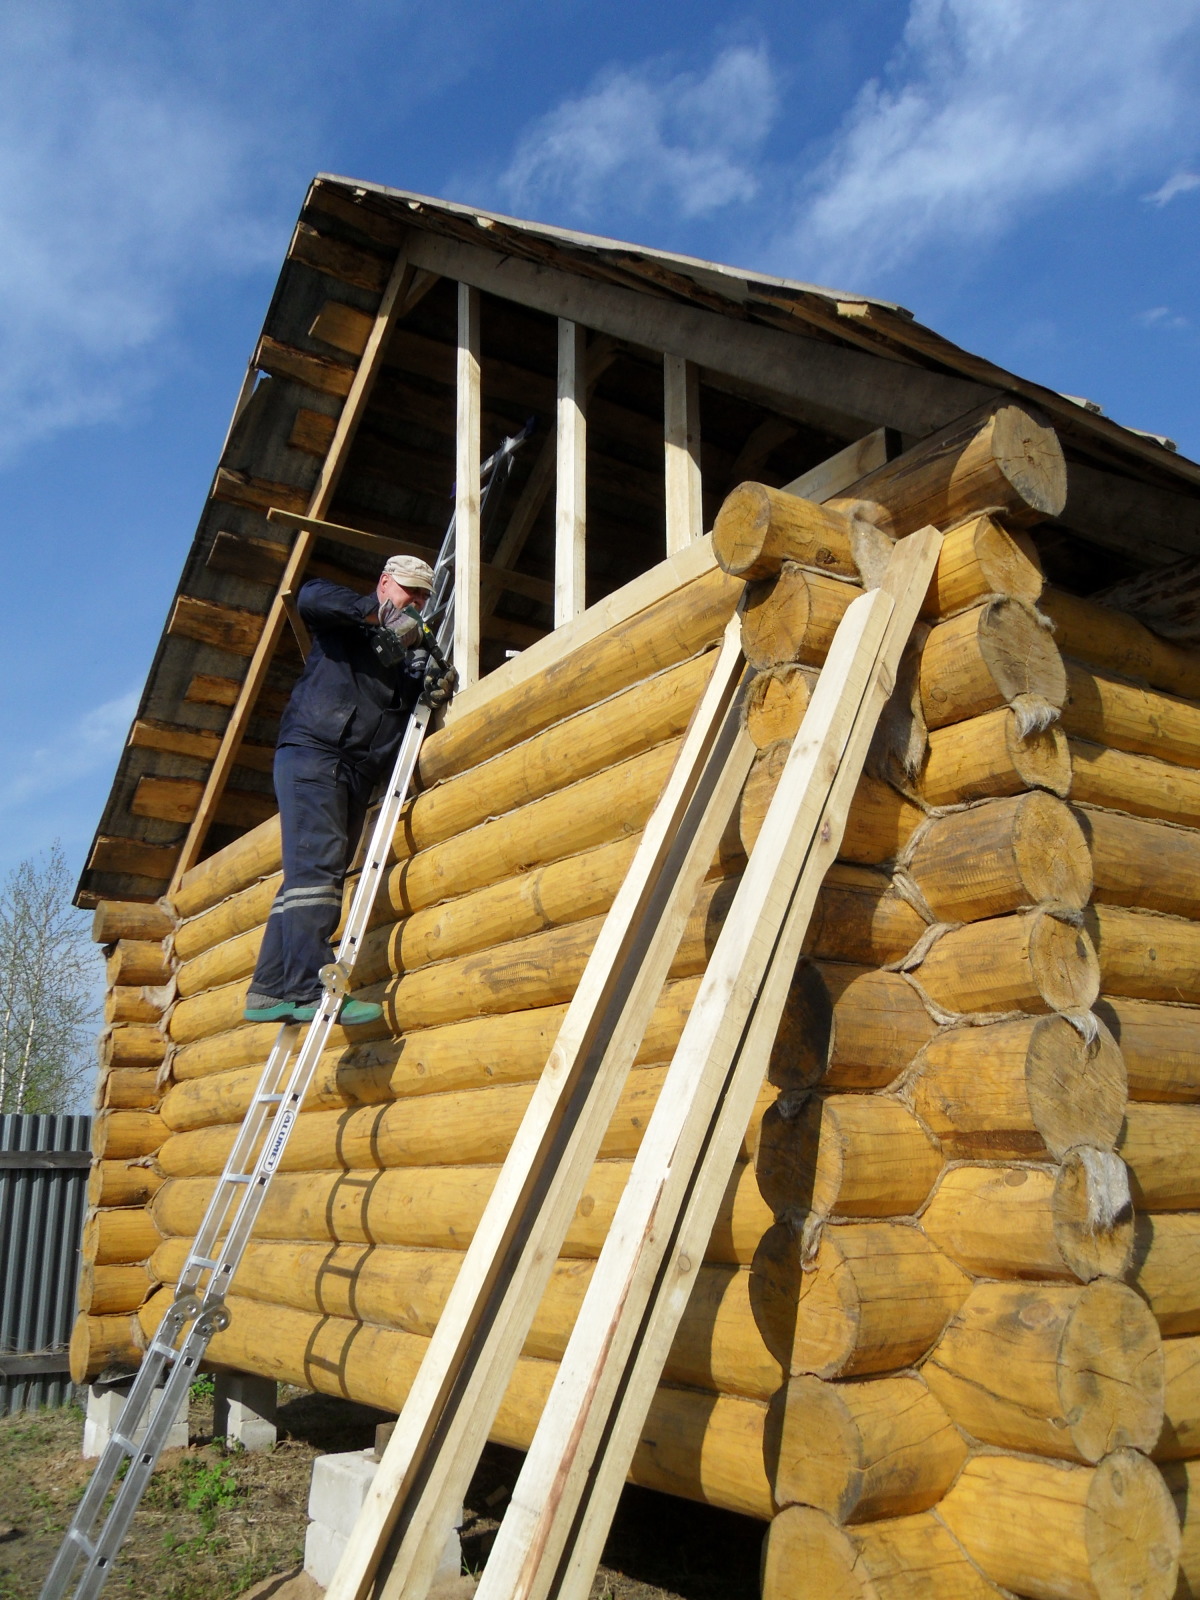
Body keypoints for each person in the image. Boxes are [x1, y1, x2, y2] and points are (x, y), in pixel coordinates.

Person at [243, 553, 447, 1026]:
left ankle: (270, 990)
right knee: (319, 870)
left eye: (422, 596)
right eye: (407, 590)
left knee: (316, 873)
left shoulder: (397, 660)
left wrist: (428, 685)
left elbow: (396, 720)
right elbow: (313, 597)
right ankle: (305, 989)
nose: (414, 602)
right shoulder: (348, 622)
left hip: (355, 771)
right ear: (384, 584)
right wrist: (381, 618)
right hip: (317, 752)